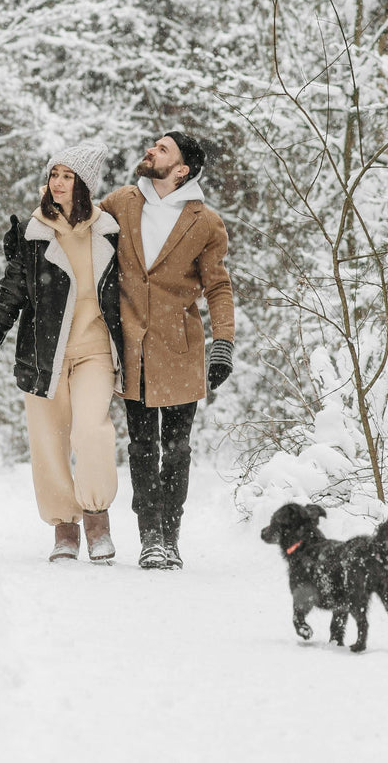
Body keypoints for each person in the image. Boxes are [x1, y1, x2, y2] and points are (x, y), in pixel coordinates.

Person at [0, 140, 124, 563]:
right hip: (44, 356)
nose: (56, 183)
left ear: (84, 185)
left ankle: (97, 520)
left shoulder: (108, 231)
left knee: (91, 432)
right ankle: (64, 530)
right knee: (48, 442)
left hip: (94, 352)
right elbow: (10, 297)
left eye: (67, 176)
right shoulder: (32, 234)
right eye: (54, 174)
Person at [99, 132, 235, 570]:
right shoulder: (121, 202)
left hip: (180, 347)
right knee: (142, 446)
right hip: (132, 346)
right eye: (154, 144)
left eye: (163, 149)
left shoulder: (206, 222)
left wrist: (224, 344)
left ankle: (171, 537)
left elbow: (218, 285)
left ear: (182, 170)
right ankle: (150, 537)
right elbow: (79, 228)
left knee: (176, 448)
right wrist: (36, 233)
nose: (150, 150)